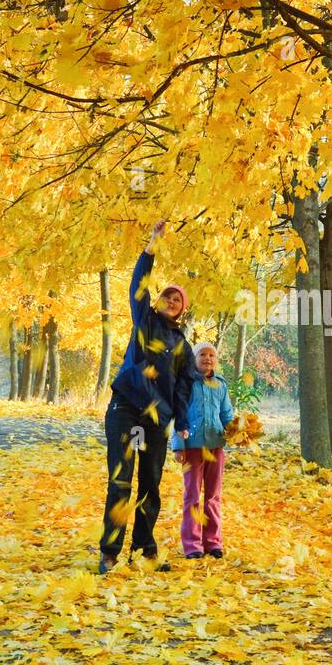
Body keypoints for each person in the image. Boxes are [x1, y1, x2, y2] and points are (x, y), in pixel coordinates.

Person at [99, 221, 195, 573]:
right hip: (126, 406)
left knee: (150, 484)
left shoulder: (182, 345)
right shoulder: (145, 320)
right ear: (158, 301)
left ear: (181, 310)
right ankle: (110, 551)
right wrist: (151, 248)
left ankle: (143, 549)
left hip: (158, 418)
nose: (171, 302)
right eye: (167, 297)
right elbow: (137, 286)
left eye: (177, 300)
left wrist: (182, 422)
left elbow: (185, 386)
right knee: (121, 478)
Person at [171, 342, 235, 559]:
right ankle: (192, 545)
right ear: (194, 358)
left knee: (213, 497)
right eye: (202, 354)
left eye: (212, 355)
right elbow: (179, 416)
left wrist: (237, 431)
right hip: (193, 449)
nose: (207, 358)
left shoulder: (221, 385)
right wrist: (178, 446)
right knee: (192, 497)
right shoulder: (186, 384)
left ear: (216, 360)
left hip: (215, 447)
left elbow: (226, 414)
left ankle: (213, 542)